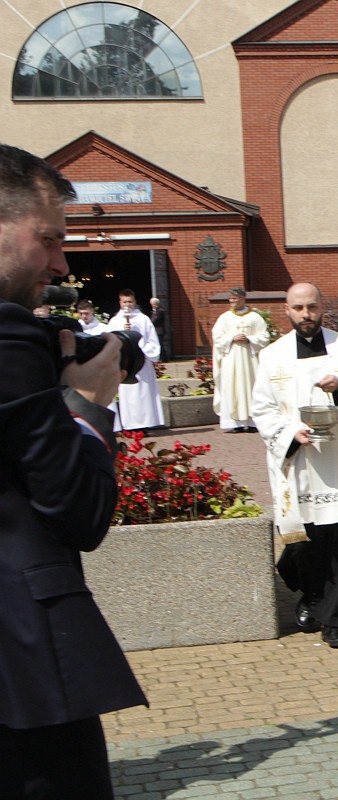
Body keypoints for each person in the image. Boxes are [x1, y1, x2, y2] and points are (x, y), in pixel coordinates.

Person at [0, 143, 146, 799]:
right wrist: (87, 404)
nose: (62, 262)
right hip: (21, 670)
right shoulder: (9, 340)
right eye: (49, 238)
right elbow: (79, 510)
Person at [252, 282, 338, 650]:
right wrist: (292, 432)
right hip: (300, 462)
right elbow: (262, 408)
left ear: (322, 306)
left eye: (311, 307)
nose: (305, 315)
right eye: (297, 308)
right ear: (286, 310)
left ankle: (337, 620)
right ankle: (311, 595)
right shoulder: (272, 356)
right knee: (304, 541)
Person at [212, 287, 270, 433]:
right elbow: (217, 336)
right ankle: (235, 423)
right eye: (231, 298)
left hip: (250, 360)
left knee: (252, 387)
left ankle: (252, 423)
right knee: (231, 387)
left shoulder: (255, 318)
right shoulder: (224, 318)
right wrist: (232, 338)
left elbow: (265, 337)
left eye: (235, 298)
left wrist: (249, 339)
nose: (232, 301)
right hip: (231, 360)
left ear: (243, 299)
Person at [106, 288, 164, 431]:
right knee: (128, 395)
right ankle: (130, 425)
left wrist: (143, 350)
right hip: (125, 363)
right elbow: (108, 340)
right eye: (125, 301)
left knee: (143, 394)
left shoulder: (143, 319)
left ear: (135, 302)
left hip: (141, 363)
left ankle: (145, 424)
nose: (127, 304)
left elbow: (153, 342)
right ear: (120, 302)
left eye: (130, 301)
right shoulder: (115, 321)